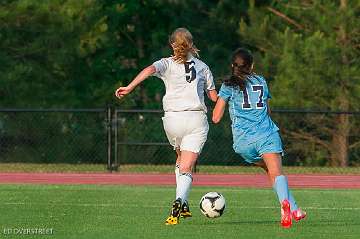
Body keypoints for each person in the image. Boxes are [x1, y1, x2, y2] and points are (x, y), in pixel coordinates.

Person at [115, 28, 218, 225]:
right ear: (191, 43)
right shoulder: (203, 67)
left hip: (172, 120)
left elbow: (148, 70)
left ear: (172, 45)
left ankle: (184, 203)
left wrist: (129, 87)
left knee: (180, 158)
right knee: (187, 166)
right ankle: (180, 200)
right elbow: (213, 97)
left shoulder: (166, 63)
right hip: (195, 119)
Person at [212, 48, 306, 228]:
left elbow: (216, 118)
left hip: (243, 142)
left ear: (233, 66)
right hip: (266, 135)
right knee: (276, 173)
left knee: (270, 171)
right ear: (252, 65)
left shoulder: (228, 85)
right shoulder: (261, 81)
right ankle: (287, 206)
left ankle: (294, 209)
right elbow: (268, 111)